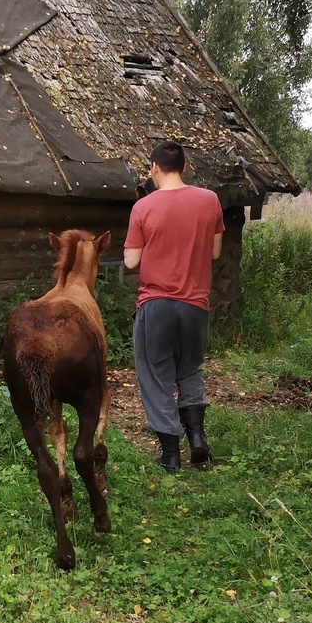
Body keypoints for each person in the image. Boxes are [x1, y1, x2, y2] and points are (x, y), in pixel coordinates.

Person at [123, 140, 223, 473]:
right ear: (185, 167)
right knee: (190, 369)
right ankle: (197, 438)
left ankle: (170, 454)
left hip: (156, 304)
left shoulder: (143, 207)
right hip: (195, 305)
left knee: (155, 375)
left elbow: (131, 260)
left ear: (154, 168)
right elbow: (214, 252)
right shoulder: (209, 200)